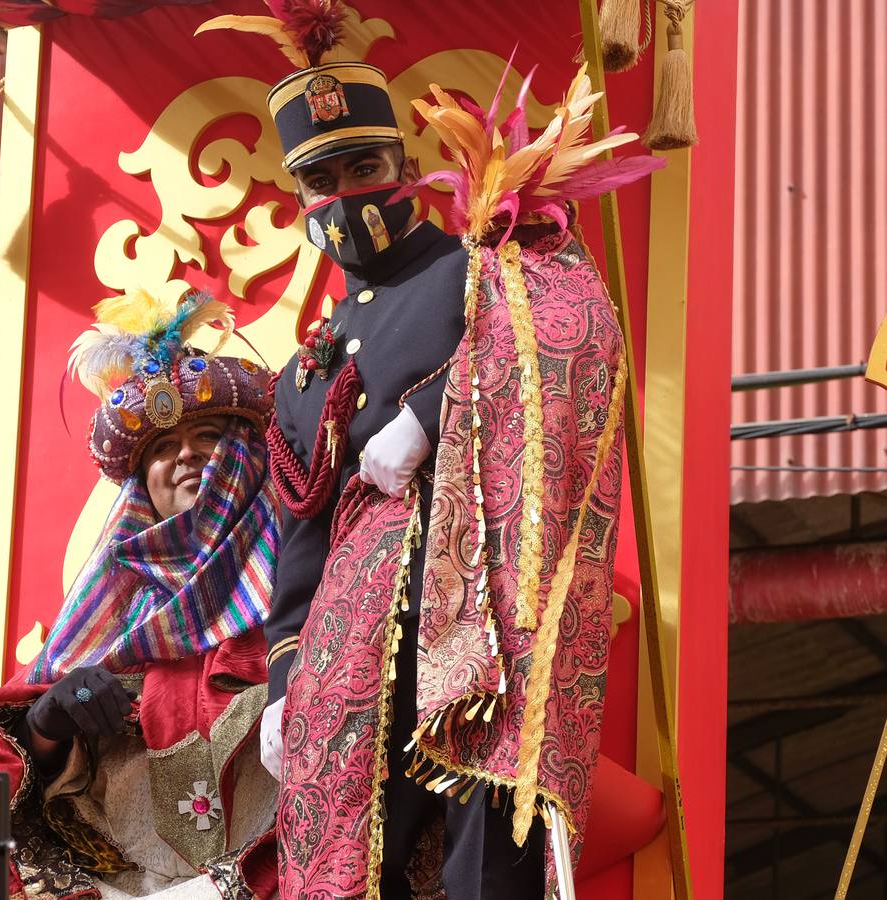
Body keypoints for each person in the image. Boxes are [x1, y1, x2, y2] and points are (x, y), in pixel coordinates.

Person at [199, 5, 648, 899]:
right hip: (350, 639)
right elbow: (300, 547)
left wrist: (437, 414)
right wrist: (288, 677)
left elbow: (568, 344)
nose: (348, 192)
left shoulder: (488, 266)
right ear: (299, 198)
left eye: (365, 167)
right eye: (322, 179)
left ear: (405, 164)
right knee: (349, 868)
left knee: (490, 853)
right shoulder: (301, 373)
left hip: (482, 600)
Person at [0, 289, 281, 900]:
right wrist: (47, 727)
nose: (183, 453)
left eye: (205, 434)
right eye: (159, 448)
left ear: (246, 456)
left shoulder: (306, 590)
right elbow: (2, 799)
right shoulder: (104, 629)